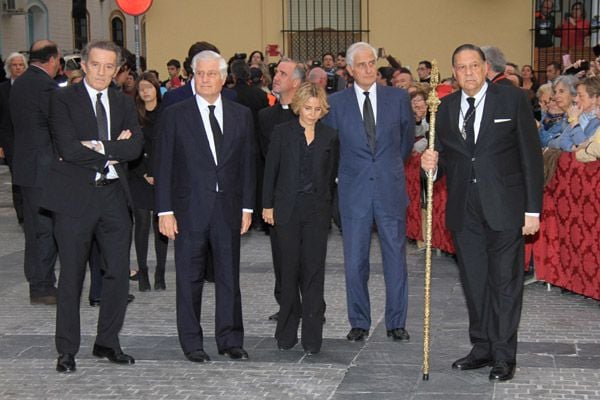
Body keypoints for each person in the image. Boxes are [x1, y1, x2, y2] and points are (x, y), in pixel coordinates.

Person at [421, 44, 544, 382]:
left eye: (474, 65)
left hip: (505, 207)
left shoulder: (513, 100)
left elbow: (531, 158)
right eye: (461, 67)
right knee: (474, 284)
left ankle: (504, 355)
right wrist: (430, 165)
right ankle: (482, 347)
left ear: (486, 67)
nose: (469, 72)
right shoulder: (443, 109)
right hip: (465, 210)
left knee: (505, 284)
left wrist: (532, 210)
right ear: (454, 73)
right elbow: (445, 159)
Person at [41, 40, 144, 373]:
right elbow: (69, 149)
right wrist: (114, 147)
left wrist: (98, 146)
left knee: (117, 274)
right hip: (74, 199)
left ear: (117, 70)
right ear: (83, 65)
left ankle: (107, 342)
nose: (102, 72)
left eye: (109, 66)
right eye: (96, 65)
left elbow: (136, 149)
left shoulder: (123, 101)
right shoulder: (62, 99)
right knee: (72, 276)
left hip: (114, 196)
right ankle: (67, 349)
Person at [155, 50, 255, 363]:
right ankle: (191, 342)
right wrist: (164, 211)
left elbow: (249, 164)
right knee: (188, 277)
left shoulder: (241, 114)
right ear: (192, 77)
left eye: (212, 74)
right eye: (200, 74)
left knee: (229, 276)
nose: (206, 79)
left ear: (224, 79)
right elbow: (164, 165)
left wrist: (248, 207)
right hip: (188, 210)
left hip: (228, 208)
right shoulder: (175, 113)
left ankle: (230, 339)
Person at [323, 41, 414, 343]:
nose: (367, 69)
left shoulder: (398, 99)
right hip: (354, 192)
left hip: (389, 188)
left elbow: (405, 143)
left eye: (371, 63)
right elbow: (332, 148)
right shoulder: (335, 104)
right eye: (360, 65)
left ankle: (396, 321)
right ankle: (359, 321)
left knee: (395, 259)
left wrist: (386, 168)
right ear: (349, 70)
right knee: (355, 260)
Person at [262, 82, 339, 355]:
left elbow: (331, 177)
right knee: (288, 272)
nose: (312, 113)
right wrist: (267, 205)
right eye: (308, 108)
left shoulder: (330, 136)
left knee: (314, 274)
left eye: (318, 109)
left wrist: (329, 209)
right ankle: (285, 332)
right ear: (299, 106)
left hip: (316, 213)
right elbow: (270, 170)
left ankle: (312, 338)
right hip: (286, 211)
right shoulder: (282, 133)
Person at [10, 40, 60, 305]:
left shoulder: (19, 84)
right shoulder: (45, 86)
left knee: (34, 227)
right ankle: (42, 286)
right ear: (52, 60)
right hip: (43, 168)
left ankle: (37, 282)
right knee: (44, 229)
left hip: (26, 166)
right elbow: (56, 123)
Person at [257, 58, 305, 321]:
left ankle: (310, 304)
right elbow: (265, 159)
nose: (276, 77)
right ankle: (286, 303)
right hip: (279, 197)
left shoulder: (309, 112)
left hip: (308, 196)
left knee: (308, 256)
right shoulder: (265, 117)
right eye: (276, 73)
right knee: (280, 254)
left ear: (296, 82)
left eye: (283, 74)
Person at [129, 72, 169, 291]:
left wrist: (158, 172)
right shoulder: (134, 114)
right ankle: (142, 272)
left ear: (156, 89)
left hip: (162, 175)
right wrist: (143, 172)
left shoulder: (166, 114)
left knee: (161, 225)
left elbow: (169, 146)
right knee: (142, 226)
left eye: (149, 87)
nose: (145, 92)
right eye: (142, 88)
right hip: (138, 174)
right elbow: (132, 146)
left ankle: (160, 274)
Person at [0, 52, 27, 225]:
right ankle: (21, 215)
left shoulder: (29, 87)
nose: (18, 68)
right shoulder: (2, 89)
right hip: (10, 141)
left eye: (21, 65)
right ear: (9, 68)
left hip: (28, 140)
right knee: (17, 178)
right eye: (14, 65)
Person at [547, 76, 600, 151]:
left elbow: (586, 148)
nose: (575, 99)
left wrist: (575, 122)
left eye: (580, 95)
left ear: (594, 98)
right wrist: (573, 147)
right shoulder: (581, 115)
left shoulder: (597, 120)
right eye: (576, 95)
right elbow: (562, 141)